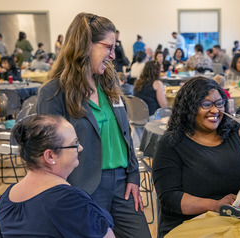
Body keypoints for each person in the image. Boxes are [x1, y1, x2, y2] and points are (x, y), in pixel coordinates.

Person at [37, 13, 150, 237]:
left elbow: (125, 135)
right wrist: (64, 195)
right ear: (85, 45)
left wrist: (133, 177)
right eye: (108, 46)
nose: (113, 54)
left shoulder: (109, 83)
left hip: (122, 184)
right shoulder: (54, 93)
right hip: (82, 188)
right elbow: (46, 154)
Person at [153, 77, 240, 237]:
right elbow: (170, 198)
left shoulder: (238, 133)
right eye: (206, 104)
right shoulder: (171, 144)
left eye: (219, 103)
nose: (215, 110)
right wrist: (216, 205)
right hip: (193, 226)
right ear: (189, 108)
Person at [0, 114, 115, 237]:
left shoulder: (6, 200)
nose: (80, 148)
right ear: (50, 156)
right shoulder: (71, 202)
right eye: (75, 143)